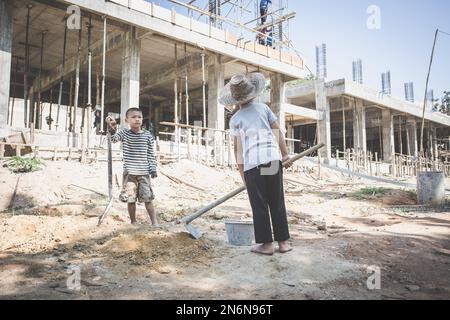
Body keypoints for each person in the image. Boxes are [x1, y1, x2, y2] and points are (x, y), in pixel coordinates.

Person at [219, 73, 292, 256]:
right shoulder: (263, 108)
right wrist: (285, 155)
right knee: (277, 201)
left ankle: (267, 245)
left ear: (235, 98)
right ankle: (283, 243)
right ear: (252, 92)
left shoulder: (235, 119)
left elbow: (238, 151)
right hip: (272, 159)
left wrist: (243, 176)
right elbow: (278, 133)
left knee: (259, 204)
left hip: (253, 165)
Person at [105, 108, 159, 225]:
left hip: (144, 173)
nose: (137, 119)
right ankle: (133, 222)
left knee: (148, 199)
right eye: (133, 117)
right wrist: (112, 128)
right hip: (129, 174)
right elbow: (113, 139)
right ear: (127, 120)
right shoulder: (125, 133)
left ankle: (154, 223)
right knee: (131, 199)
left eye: (139, 117)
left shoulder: (148, 135)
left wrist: (153, 169)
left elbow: (150, 154)